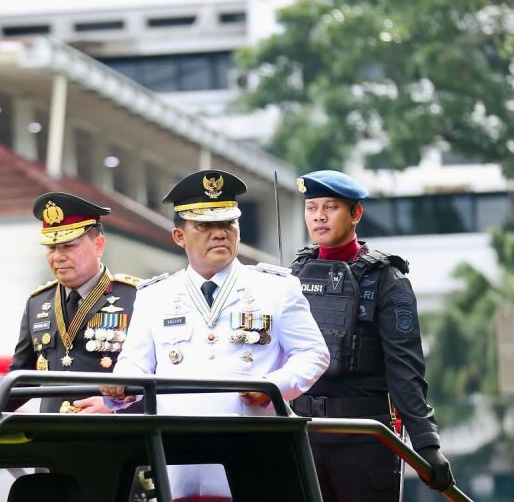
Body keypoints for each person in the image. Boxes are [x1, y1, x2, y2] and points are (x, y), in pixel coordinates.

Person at [78, 169, 329, 416]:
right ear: (179, 236)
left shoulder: (277, 288)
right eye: (204, 225)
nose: (219, 233)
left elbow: (313, 353)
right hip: (178, 436)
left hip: (254, 434)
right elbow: (136, 363)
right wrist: (122, 384)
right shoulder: (154, 296)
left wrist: (274, 386)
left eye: (228, 223)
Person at [288, 169, 453, 502]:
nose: (319, 217)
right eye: (312, 208)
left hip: (365, 440)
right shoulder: (293, 276)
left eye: (330, 207)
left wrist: (426, 443)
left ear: (356, 214)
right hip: (305, 437)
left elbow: (405, 369)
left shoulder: (386, 279)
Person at [9, 192, 141, 413]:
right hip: (53, 430)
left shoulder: (137, 297)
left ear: (99, 245)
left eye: (68, 246)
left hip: (117, 429)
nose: (58, 257)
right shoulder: (37, 303)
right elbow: (21, 379)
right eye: (51, 248)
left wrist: (114, 406)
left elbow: (159, 376)